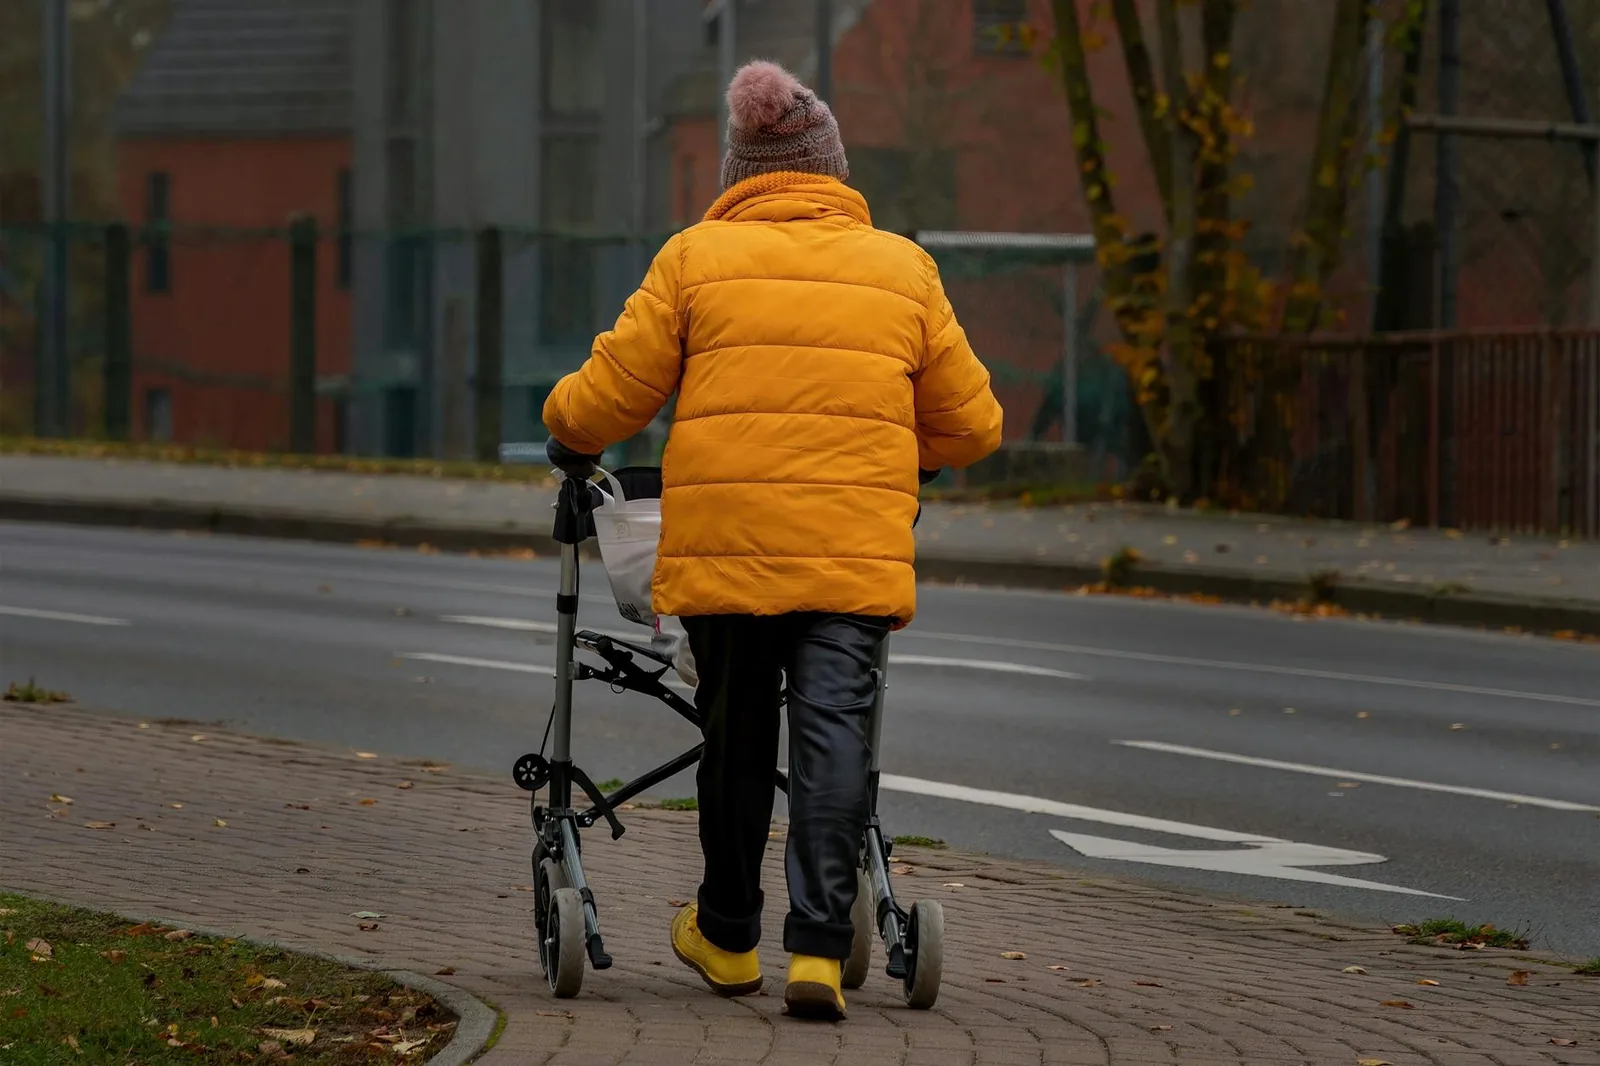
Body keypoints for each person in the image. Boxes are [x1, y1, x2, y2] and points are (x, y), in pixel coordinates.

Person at [542, 59, 1002, 1021]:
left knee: (737, 731)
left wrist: (566, 431)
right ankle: (821, 954)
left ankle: (727, 934)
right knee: (836, 734)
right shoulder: (903, 268)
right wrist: (892, 442)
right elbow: (974, 427)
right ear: (833, 170)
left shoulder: (692, 259)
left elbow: (613, 393)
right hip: (853, 550)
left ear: (739, 175)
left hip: (729, 549)